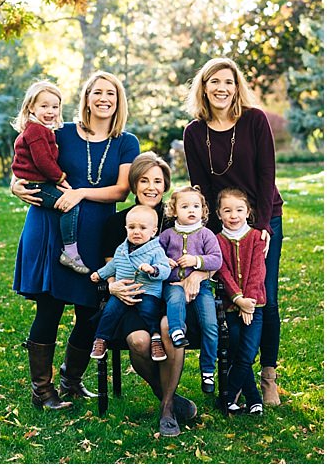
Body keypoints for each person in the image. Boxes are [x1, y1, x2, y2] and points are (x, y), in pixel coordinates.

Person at [11, 71, 138, 410]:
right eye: (96, 92)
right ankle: (42, 390)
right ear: (85, 98)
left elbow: (122, 190)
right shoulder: (61, 131)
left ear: (118, 100)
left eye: (110, 93)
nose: (103, 99)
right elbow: (27, 154)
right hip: (52, 229)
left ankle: (71, 379)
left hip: (96, 234)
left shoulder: (127, 141)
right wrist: (15, 183)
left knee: (89, 311)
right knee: (49, 308)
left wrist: (81, 192)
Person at [182, 56, 283, 406]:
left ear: (236, 87)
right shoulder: (194, 132)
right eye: (214, 82)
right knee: (229, 295)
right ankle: (234, 375)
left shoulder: (254, 121)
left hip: (262, 219)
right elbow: (200, 187)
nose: (222, 89)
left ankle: (267, 376)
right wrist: (212, 236)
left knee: (263, 294)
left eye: (228, 82)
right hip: (220, 226)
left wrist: (264, 225)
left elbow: (266, 175)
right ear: (204, 87)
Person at [98, 152, 199, 436]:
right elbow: (110, 268)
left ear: (166, 184)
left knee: (169, 328)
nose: (151, 187)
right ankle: (168, 395)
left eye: (157, 180)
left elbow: (207, 253)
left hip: (175, 297)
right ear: (133, 184)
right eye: (144, 180)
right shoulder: (118, 223)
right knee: (139, 341)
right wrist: (112, 285)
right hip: (135, 299)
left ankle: (166, 409)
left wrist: (199, 275)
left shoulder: (178, 220)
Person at [11, 80, 88, 273]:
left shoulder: (42, 129)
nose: (50, 111)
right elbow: (43, 162)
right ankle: (70, 252)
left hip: (37, 182)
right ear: (31, 107)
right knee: (69, 205)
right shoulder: (36, 130)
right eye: (44, 106)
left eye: (55, 106)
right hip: (36, 184)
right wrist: (61, 178)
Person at [157, 186, 222, 389]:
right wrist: (164, 261)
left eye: (196, 206)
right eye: (185, 206)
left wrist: (196, 260)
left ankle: (208, 370)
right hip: (173, 284)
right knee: (175, 299)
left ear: (203, 210)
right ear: (174, 210)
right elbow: (155, 254)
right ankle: (177, 332)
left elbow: (216, 260)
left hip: (201, 287)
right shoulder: (167, 235)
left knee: (210, 324)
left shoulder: (206, 234)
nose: (191, 210)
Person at [89, 206, 171, 361]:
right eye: (132, 227)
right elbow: (113, 266)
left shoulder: (156, 250)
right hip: (123, 290)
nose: (136, 232)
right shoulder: (122, 249)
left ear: (153, 231)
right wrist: (100, 274)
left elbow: (165, 270)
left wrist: (153, 270)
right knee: (110, 310)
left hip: (147, 291)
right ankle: (101, 339)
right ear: (126, 228)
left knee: (149, 310)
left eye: (142, 228)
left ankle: (155, 337)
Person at [215, 188, 267, 415]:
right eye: (227, 210)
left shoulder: (256, 237)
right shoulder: (217, 240)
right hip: (230, 305)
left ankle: (226, 396)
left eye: (239, 210)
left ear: (248, 211)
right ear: (219, 214)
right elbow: (222, 272)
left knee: (247, 353)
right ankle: (254, 398)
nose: (233, 215)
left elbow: (257, 271)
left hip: (256, 306)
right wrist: (238, 299)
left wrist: (249, 301)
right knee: (235, 350)